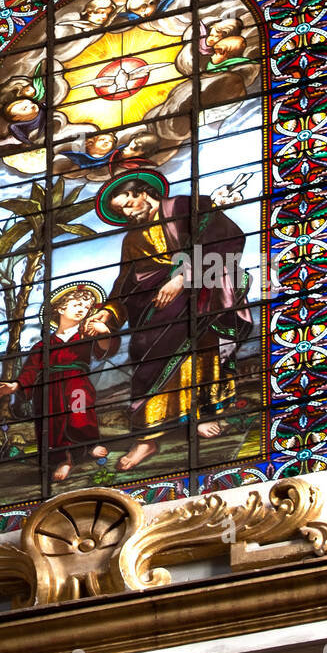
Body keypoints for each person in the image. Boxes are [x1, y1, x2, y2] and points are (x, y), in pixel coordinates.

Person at [94, 171, 252, 473]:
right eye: (120, 210)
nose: (127, 211)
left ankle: (203, 412)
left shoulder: (184, 208)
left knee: (200, 338)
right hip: (151, 309)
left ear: (142, 192)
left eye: (128, 202)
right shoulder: (133, 238)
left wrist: (183, 277)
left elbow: (226, 239)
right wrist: (110, 312)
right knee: (144, 353)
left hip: (199, 294)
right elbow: (126, 282)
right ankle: (147, 437)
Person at [0, 282, 119, 483]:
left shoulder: (85, 334)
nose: (81, 310)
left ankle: (89, 444)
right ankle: (64, 460)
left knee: (80, 414)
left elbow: (104, 349)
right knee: (54, 424)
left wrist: (104, 332)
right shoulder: (43, 345)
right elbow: (31, 369)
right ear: (60, 308)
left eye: (85, 307)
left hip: (77, 383)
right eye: (76, 305)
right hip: (50, 389)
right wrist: (15, 386)